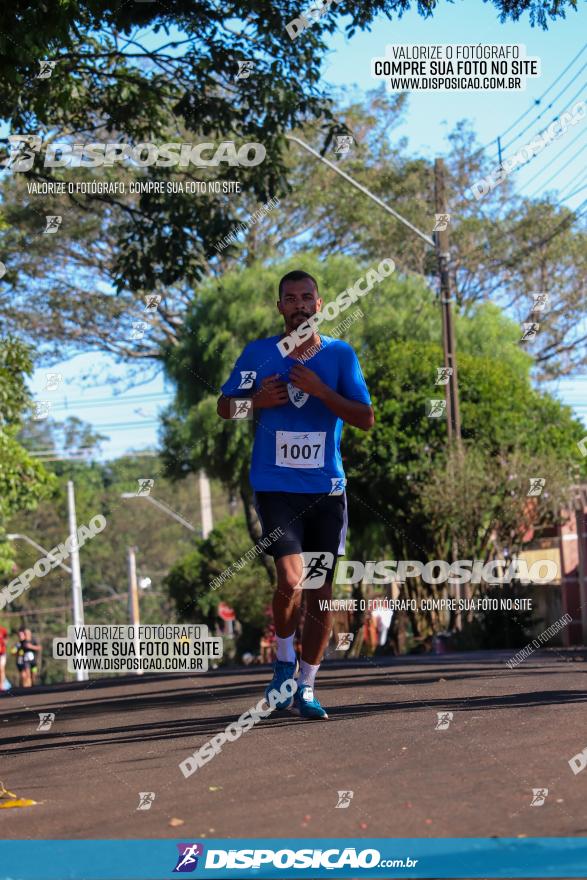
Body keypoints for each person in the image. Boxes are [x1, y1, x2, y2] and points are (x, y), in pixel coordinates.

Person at [217, 269, 374, 719]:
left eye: (308, 297)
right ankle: (283, 660)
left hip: (326, 490)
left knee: (320, 590)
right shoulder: (258, 354)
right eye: (291, 298)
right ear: (281, 307)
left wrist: (323, 391)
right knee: (291, 578)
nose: (300, 304)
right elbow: (225, 407)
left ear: (320, 306)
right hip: (274, 485)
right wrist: (257, 402)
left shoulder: (341, 356)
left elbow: (365, 418)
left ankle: (306, 685)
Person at [0, 623, 8, 691]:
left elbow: (6, 638)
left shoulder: (2, 630)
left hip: (2, 653)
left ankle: (1, 685)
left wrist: (4, 643)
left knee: (2, 669)